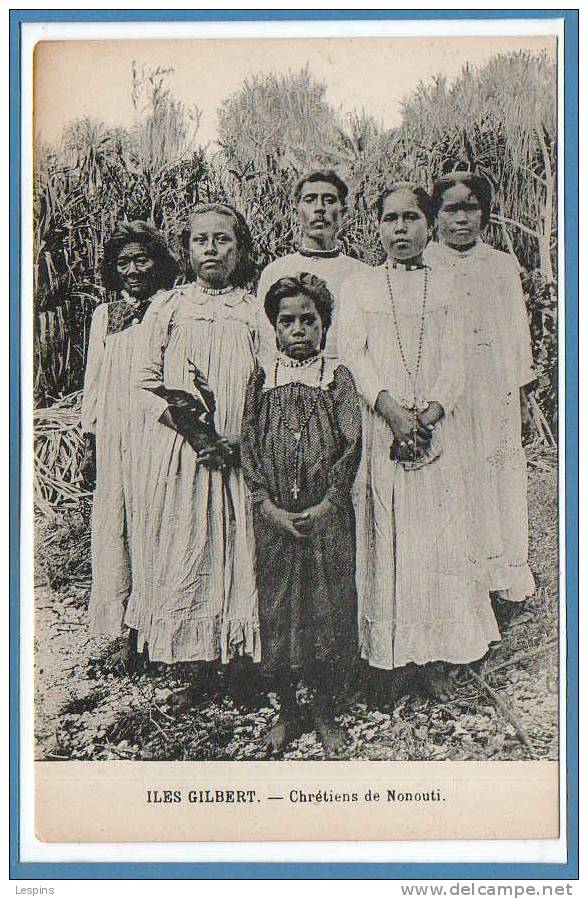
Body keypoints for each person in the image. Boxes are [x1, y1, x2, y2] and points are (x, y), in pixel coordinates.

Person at [339, 183, 500, 702]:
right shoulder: (361, 288)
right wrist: (391, 412)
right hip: (382, 428)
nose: (401, 229)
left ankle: (438, 653)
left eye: (412, 218)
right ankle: (390, 658)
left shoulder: (448, 286)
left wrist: (427, 416)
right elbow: (354, 356)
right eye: (390, 219)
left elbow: (459, 363)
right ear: (377, 226)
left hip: (437, 432)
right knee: (387, 534)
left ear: (429, 225)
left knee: (439, 537)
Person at [126, 203, 261, 710]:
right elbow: (142, 384)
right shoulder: (168, 307)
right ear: (186, 249)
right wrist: (193, 432)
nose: (211, 249)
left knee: (238, 547)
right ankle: (200, 668)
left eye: (222, 240)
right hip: (186, 455)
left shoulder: (252, 310)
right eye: (201, 240)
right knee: (193, 545)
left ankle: (241, 666)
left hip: (237, 454)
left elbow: (267, 380)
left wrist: (237, 441)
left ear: (239, 248)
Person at [241, 273, 362, 756]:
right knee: (279, 607)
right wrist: (266, 505)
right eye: (286, 321)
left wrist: (329, 502)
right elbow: (249, 444)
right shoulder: (262, 378)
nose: (297, 330)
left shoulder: (337, 377)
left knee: (327, 606)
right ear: (272, 327)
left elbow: (352, 444)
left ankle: (326, 708)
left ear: (325, 325)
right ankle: (288, 708)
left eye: (307, 320)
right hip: (276, 519)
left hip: (326, 517)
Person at [426, 172, 536, 628]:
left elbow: (516, 335)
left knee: (497, 477)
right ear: (435, 216)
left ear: (485, 214)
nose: (462, 218)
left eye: (471, 207)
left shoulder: (500, 265)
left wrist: (523, 398)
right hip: (444, 392)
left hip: (493, 389)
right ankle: (459, 582)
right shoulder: (425, 262)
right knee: (455, 479)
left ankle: (502, 579)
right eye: (451, 209)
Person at [80, 220, 179, 667]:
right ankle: (126, 633)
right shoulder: (105, 315)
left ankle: (160, 631)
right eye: (124, 263)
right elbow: (95, 382)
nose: (134, 270)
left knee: (156, 527)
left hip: (158, 435)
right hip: (117, 438)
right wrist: (90, 438)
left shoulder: (171, 307)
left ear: (158, 262)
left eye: (142, 260)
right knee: (116, 528)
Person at [256, 169, 370, 364]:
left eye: (329, 200)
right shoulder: (275, 271)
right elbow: (266, 343)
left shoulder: (362, 274)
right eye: (310, 200)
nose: (320, 209)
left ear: (343, 211)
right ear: (296, 211)